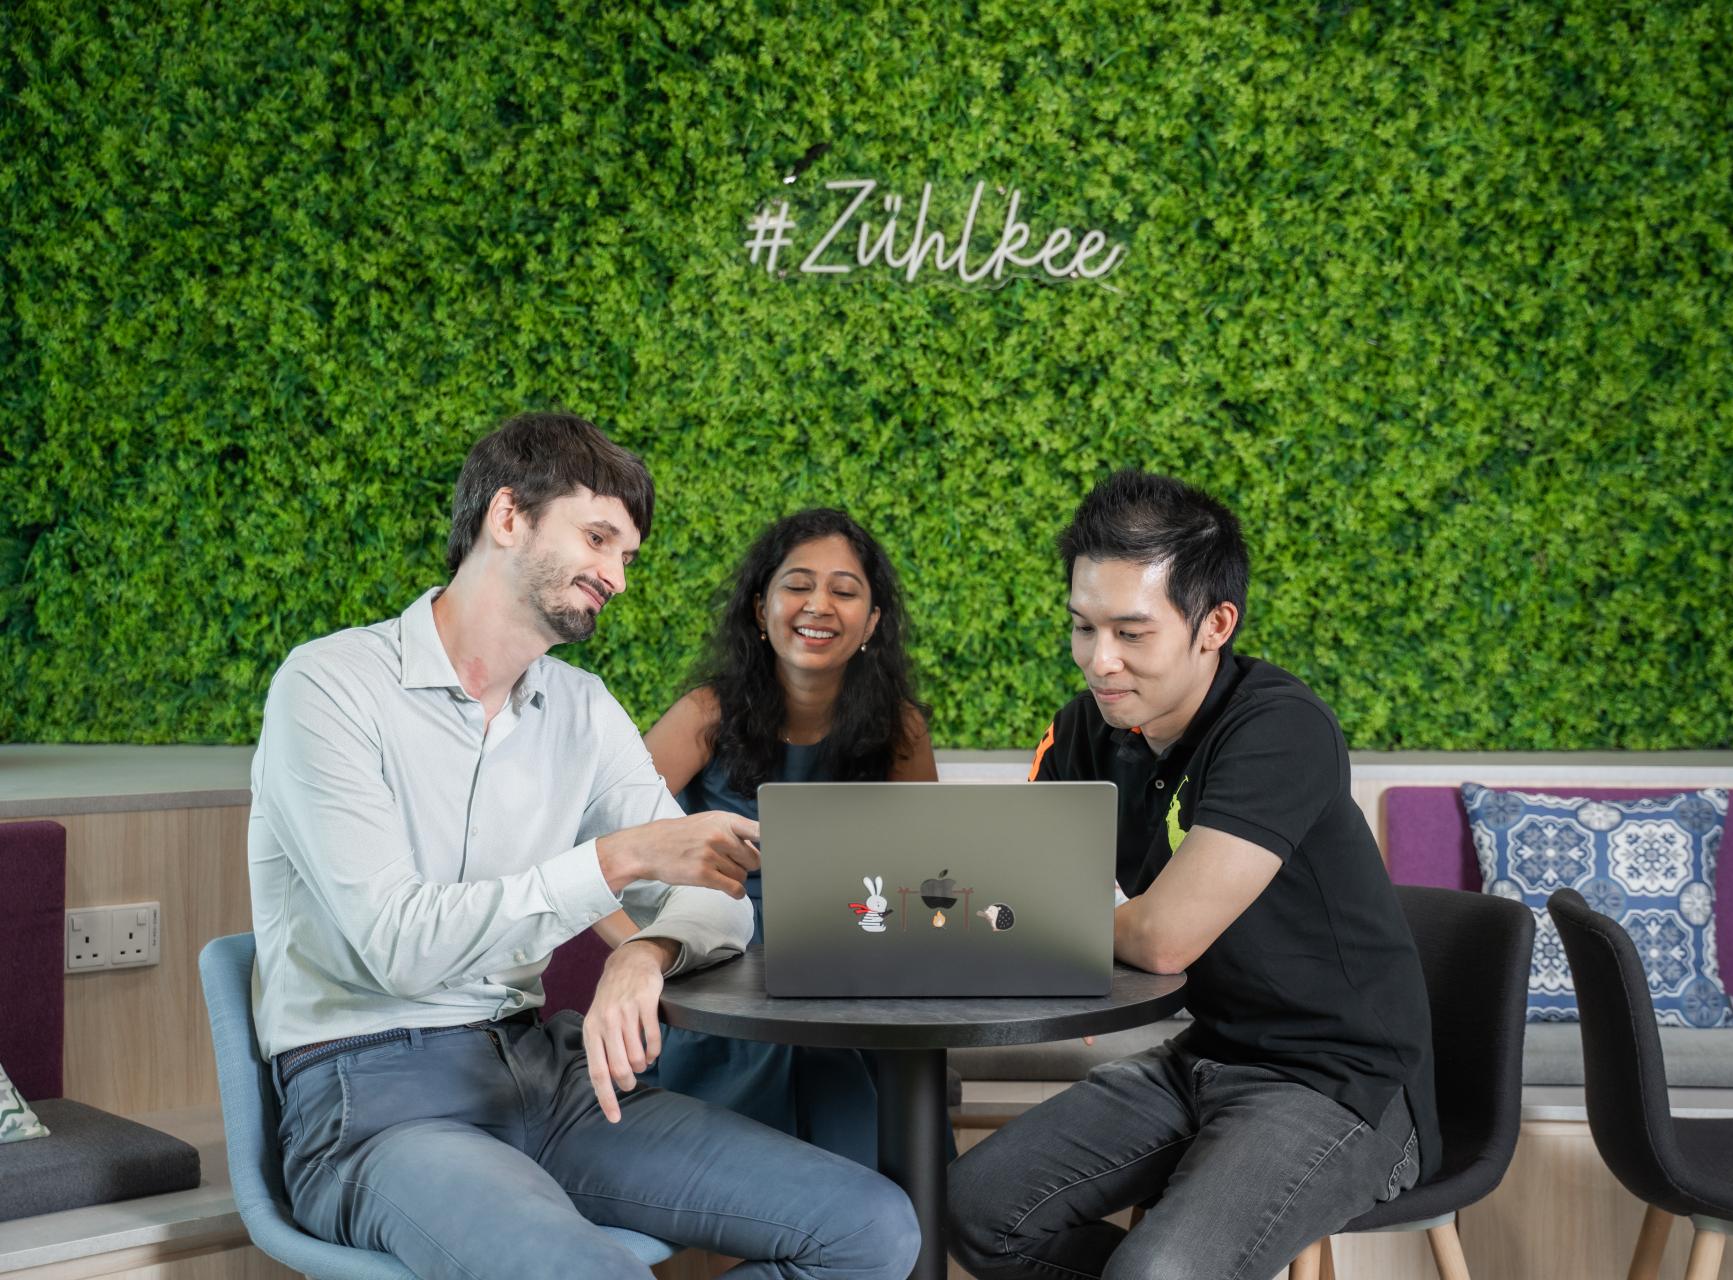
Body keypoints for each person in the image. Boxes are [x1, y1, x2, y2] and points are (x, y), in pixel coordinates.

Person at [247, 411, 918, 1280]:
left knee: (872, 1227)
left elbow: (717, 893)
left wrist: (645, 952)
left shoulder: (582, 709)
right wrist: (618, 861)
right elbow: (399, 947)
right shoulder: (329, 687)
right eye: (598, 539)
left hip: (543, 1074)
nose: (616, 577)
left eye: (627, 555)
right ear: (508, 516)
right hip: (372, 1100)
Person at [947, 470, 1439, 1280]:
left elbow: (1164, 938)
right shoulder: (1086, 731)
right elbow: (1019, 885)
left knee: (1159, 1272)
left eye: (1131, 633)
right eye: (1082, 628)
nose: (1099, 661)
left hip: (1341, 1084)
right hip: (1203, 1056)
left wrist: (1029, 920)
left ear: (1215, 624)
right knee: (977, 1207)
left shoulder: (1280, 729)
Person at [640, 508, 934, 1166]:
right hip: (723, 974)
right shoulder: (704, 714)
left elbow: (926, 874)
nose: (818, 605)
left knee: (880, 1147)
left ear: (872, 622)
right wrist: (648, 954)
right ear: (760, 608)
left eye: (844, 590)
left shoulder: (901, 728)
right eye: (797, 585)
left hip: (852, 978)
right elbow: (616, 842)